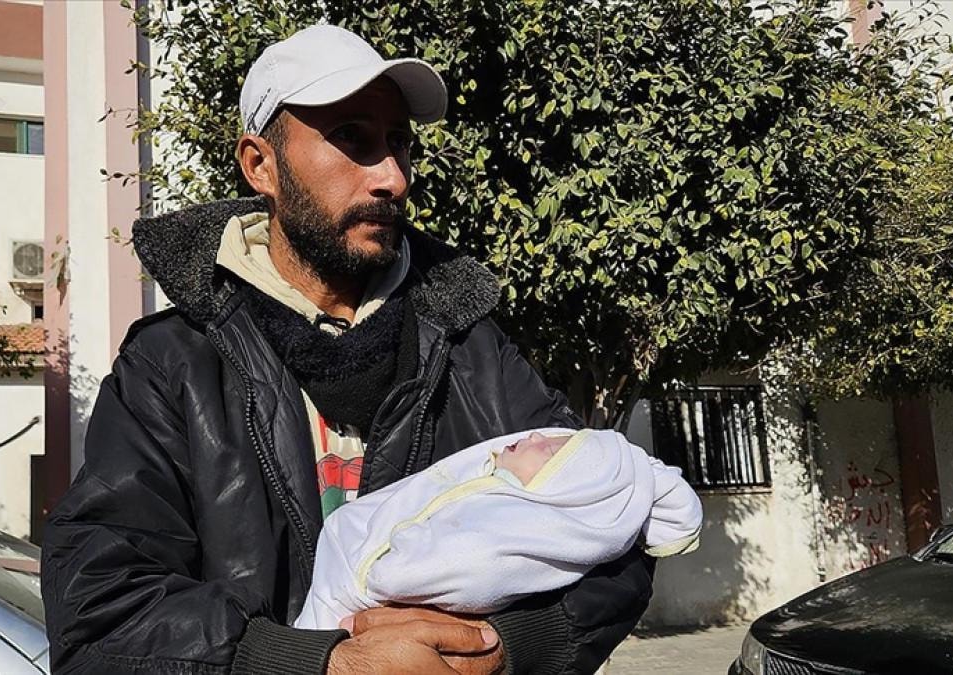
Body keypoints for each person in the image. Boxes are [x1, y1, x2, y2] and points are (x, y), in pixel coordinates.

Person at [41, 24, 657, 675]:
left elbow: (621, 524)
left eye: (398, 143)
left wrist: (502, 646)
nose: (391, 177)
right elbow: (101, 612)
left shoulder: (475, 353)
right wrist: (316, 663)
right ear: (260, 165)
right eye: (353, 139)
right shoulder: (171, 365)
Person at [294, 428, 703, 630]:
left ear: (567, 490)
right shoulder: (494, 487)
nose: (537, 434)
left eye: (554, 449)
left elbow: (404, 573)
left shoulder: (517, 535)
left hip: (345, 603)